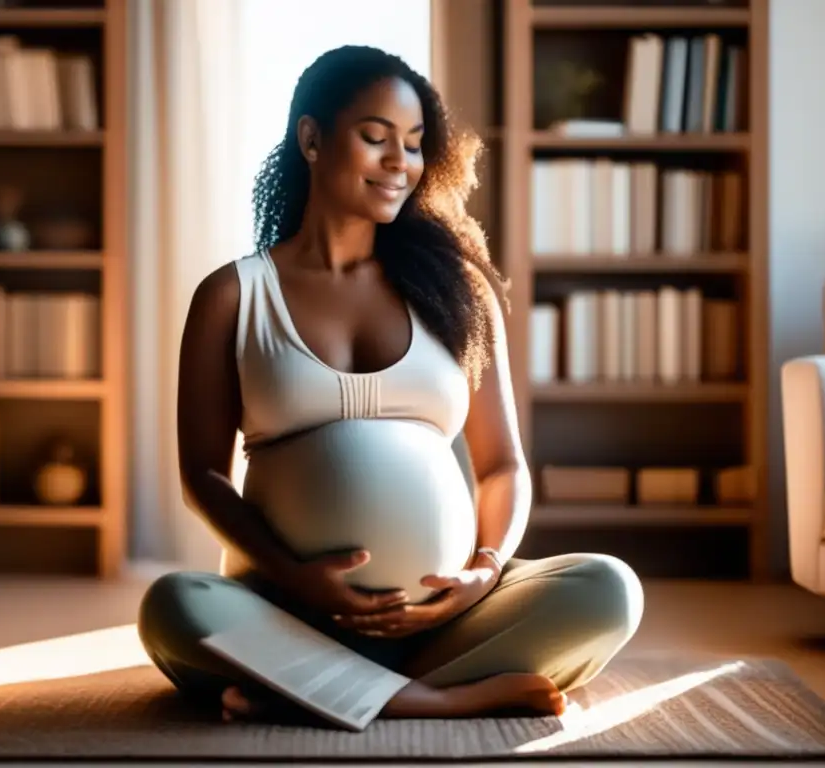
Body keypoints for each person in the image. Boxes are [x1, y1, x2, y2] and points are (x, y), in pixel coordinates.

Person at [138, 44, 644, 724]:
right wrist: (296, 577)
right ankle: (431, 699)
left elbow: (502, 467)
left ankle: (310, 691)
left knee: (607, 589)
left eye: (412, 145)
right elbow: (203, 474)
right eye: (375, 138)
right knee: (174, 606)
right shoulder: (234, 295)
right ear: (311, 139)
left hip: (445, 620)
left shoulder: (459, 292)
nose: (399, 163)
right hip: (283, 606)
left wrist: (485, 573)